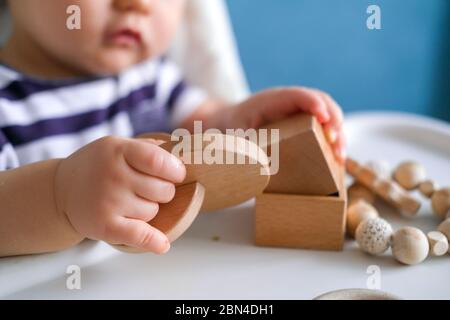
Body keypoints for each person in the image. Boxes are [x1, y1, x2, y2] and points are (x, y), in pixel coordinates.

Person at [0, 0, 345, 256]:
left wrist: (243, 121)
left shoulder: (148, 77)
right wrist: (61, 197)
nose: (135, 4)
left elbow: (204, 132)